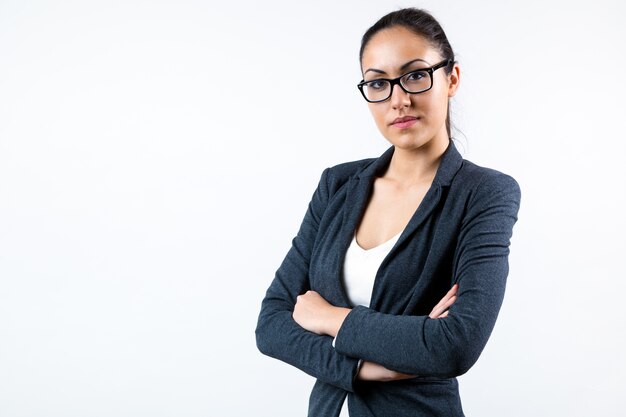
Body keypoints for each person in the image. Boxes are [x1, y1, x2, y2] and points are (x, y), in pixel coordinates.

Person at [255, 7, 521, 417]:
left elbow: (455, 344)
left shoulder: (483, 194)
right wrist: (365, 368)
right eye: (378, 83)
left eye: (416, 75)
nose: (398, 100)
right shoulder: (338, 186)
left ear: (451, 79)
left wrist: (329, 317)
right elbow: (272, 323)